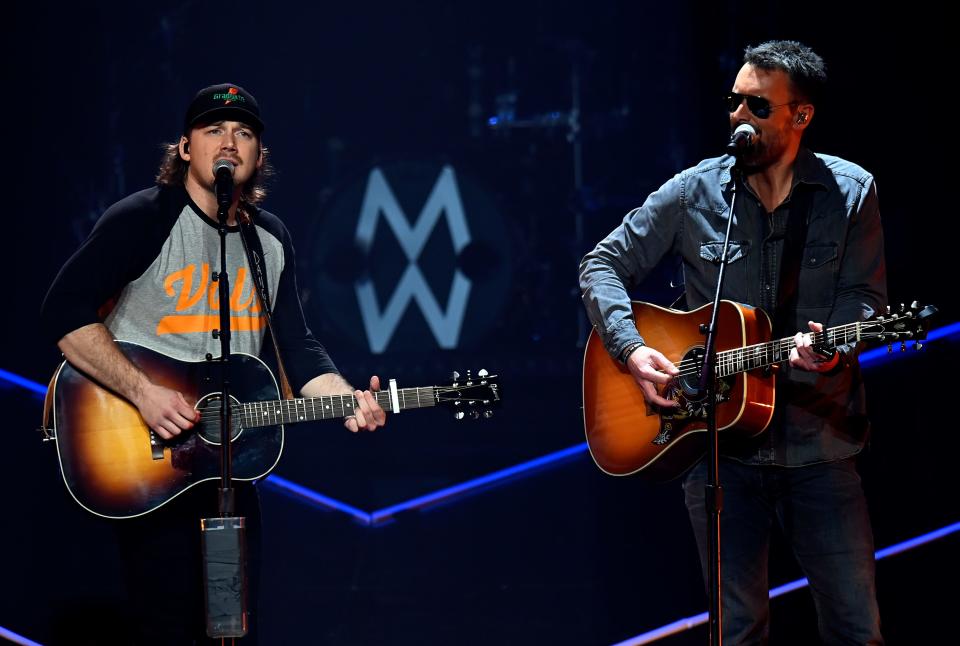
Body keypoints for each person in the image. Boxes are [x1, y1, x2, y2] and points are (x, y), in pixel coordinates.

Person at [40, 83, 387, 644]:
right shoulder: (144, 219)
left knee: (229, 629)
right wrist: (144, 392)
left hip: (232, 469)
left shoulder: (268, 239)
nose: (230, 142)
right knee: (168, 627)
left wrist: (347, 398)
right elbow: (62, 312)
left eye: (244, 133)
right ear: (184, 148)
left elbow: (295, 347)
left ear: (257, 156)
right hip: (147, 462)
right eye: (214, 130)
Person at [579, 41, 885, 644]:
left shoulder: (851, 192)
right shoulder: (696, 191)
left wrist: (832, 344)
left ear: (801, 116)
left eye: (758, 107)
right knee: (737, 632)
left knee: (856, 629)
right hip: (719, 453)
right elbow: (602, 263)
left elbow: (866, 303)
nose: (740, 117)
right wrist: (631, 347)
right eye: (734, 102)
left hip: (820, 446)